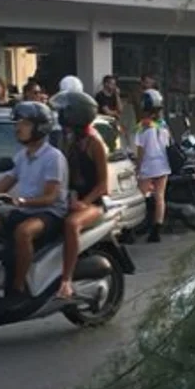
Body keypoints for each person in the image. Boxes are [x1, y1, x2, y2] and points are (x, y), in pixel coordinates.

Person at [0, 101, 68, 309]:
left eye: (24, 123)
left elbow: (51, 197)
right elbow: (3, 184)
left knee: (24, 232)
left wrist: (21, 201)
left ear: (40, 127)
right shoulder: (22, 157)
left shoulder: (53, 158)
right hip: (25, 210)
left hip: (49, 214)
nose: (18, 128)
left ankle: (17, 290)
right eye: (18, 123)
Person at [51, 91, 109, 300]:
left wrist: (83, 203)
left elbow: (103, 185)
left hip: (93, 203)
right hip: (73, 199)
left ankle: (66, 281)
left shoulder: (95, 143)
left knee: (71, 224)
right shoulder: (67, 139)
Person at [133, 88, 171, 242]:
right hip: (163, 164)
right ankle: (156, 231)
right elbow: (168, 143)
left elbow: (140, 150)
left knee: (139, 198)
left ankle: (132, 230)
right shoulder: (163, 125)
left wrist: (137, 167)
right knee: (160, 197)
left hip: (148, 166)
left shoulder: (142, 126)